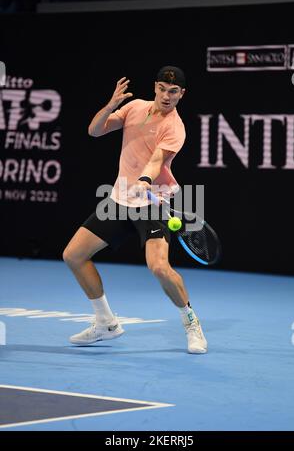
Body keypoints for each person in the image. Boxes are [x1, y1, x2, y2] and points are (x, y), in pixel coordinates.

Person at [63, 66, 207, 354]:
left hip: (153, 203)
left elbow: (156, 161)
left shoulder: (175, 127)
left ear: (182, 94)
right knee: (74, 255)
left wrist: (144, 180)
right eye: (163, 89)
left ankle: (192, 325)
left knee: (159, 268)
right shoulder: (134, 108)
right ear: (155, 87)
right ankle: (106, 322)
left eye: (174, 92)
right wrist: (111, 106)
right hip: (120, 200)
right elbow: (94, 131)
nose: (167, 96)